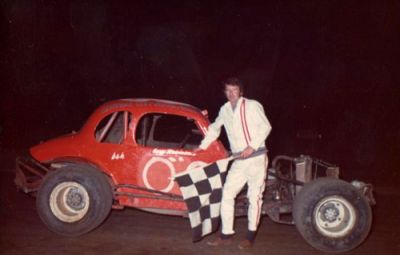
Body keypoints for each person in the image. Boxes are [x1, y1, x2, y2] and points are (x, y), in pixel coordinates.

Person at [197, 77, 272, 250]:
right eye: (228, 90)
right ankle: (226, 235)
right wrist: (202, 148)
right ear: (224, 92)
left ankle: (250, 237)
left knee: (254, 197)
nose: (231, 94)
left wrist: (252, 147)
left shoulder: (252, 105)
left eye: (234, 90)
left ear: (241, 92)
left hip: (256, 158)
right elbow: (215, 128)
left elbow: (265, 126)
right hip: (238, 160)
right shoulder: (224, 109)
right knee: (227, 194)